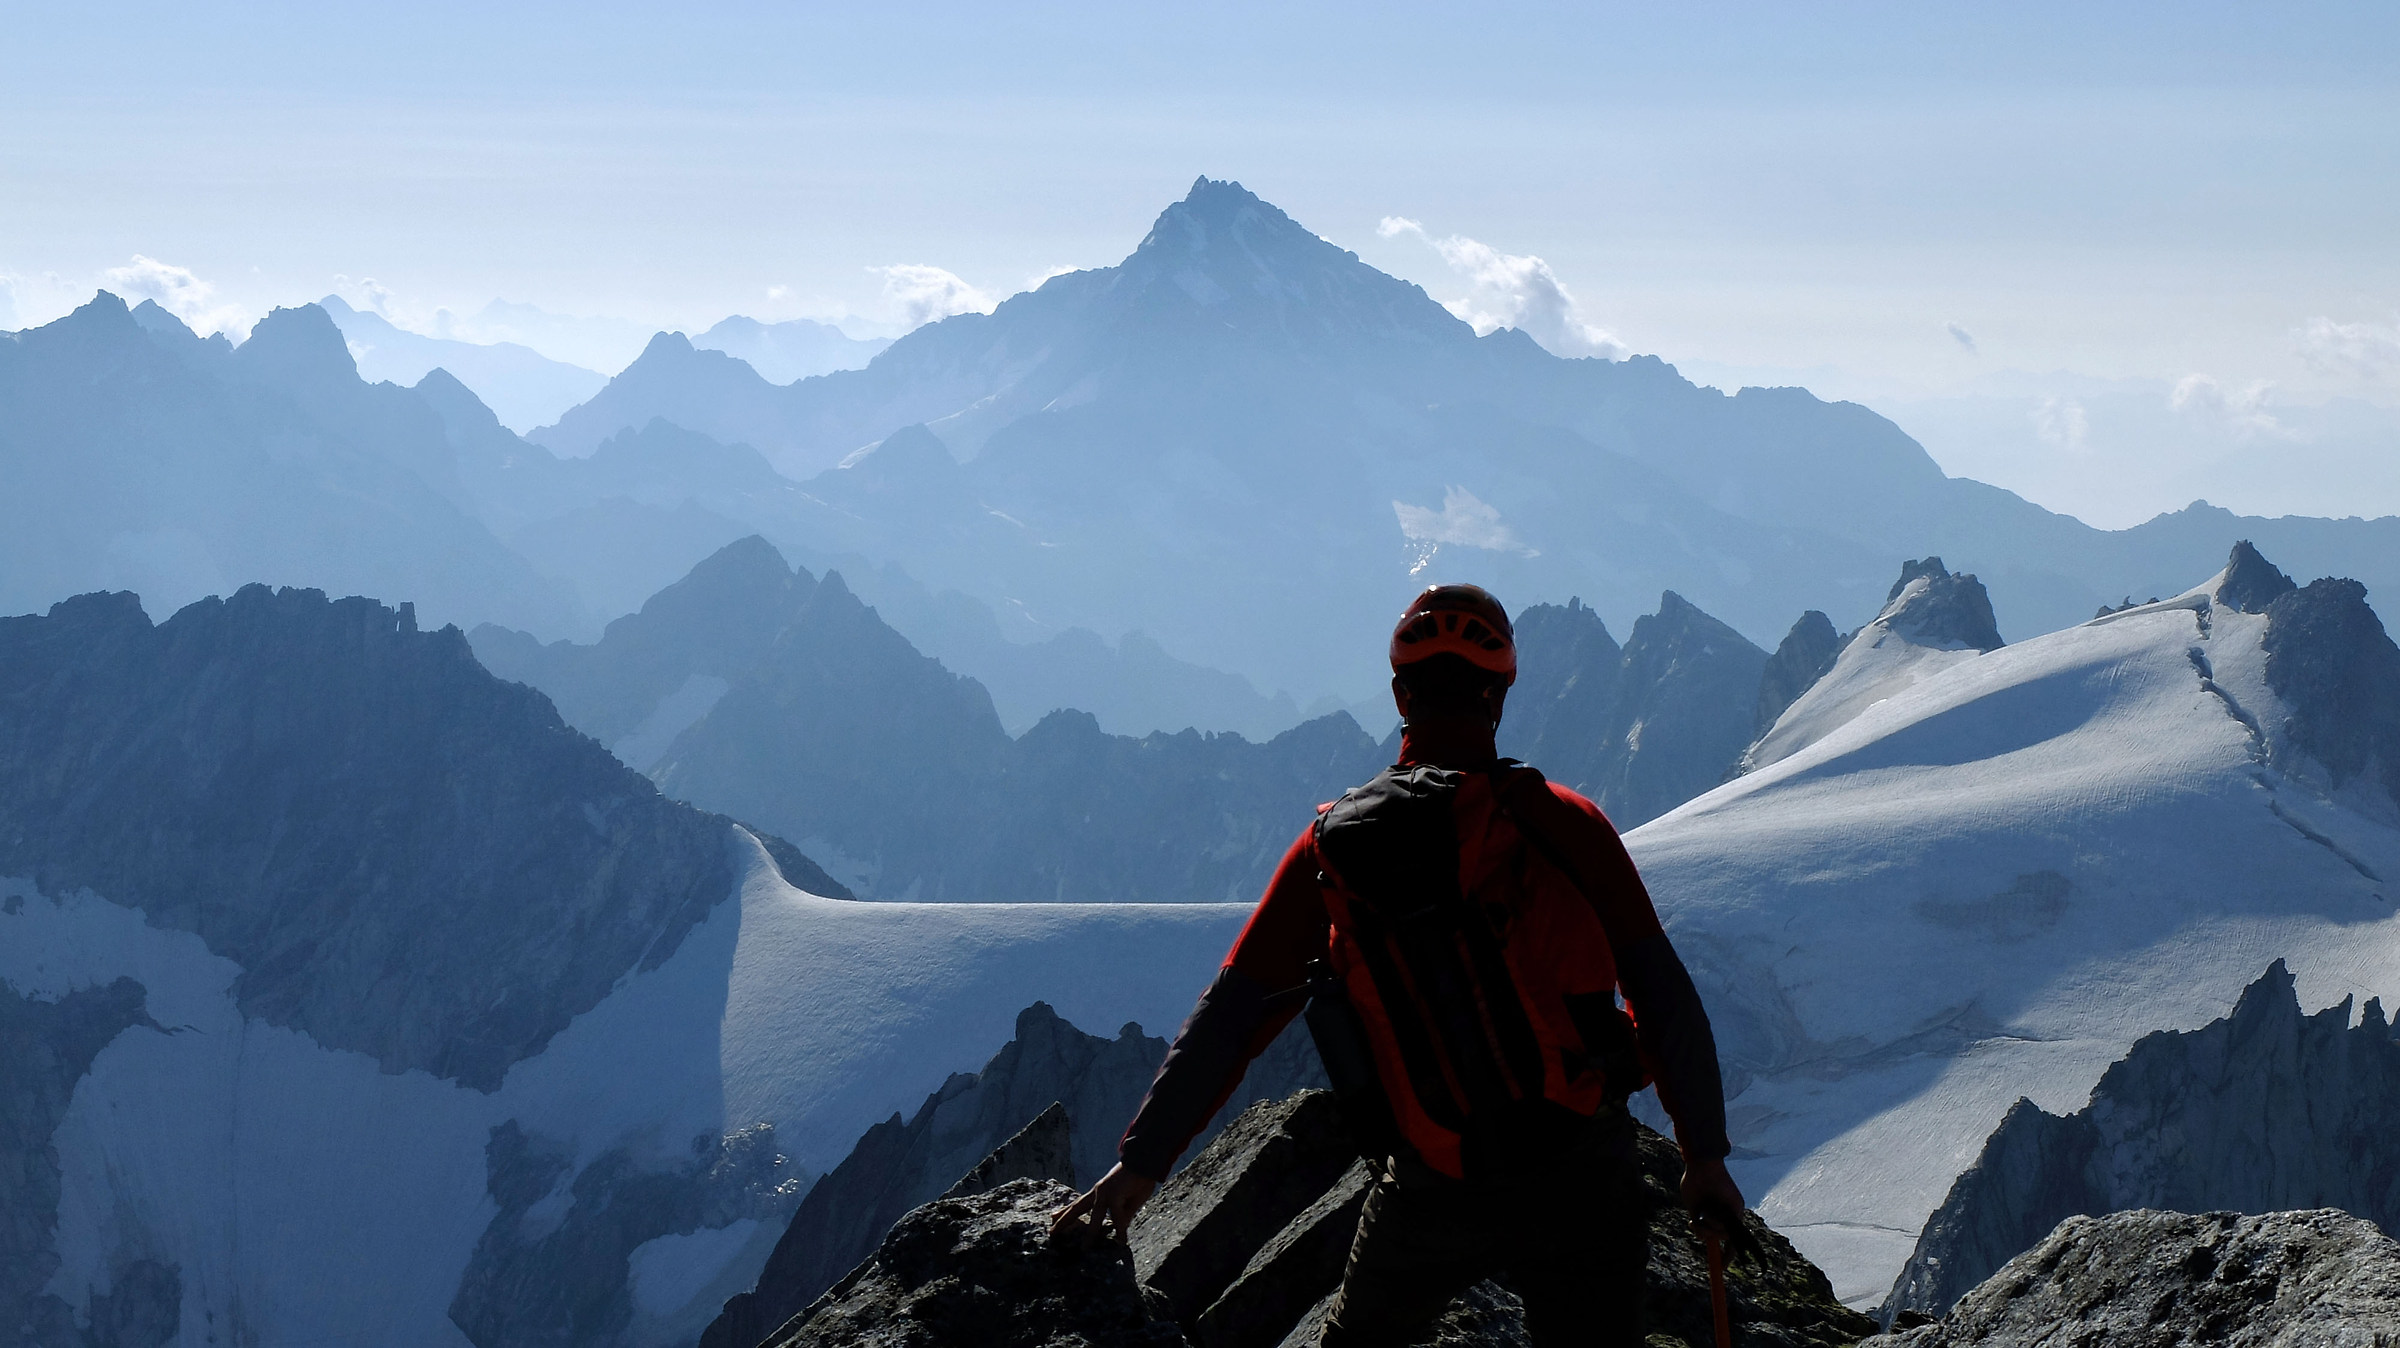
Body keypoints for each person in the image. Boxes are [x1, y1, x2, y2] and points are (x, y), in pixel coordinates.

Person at [1051, 584, 1744, 1347]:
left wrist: (1143, 1164)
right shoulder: (1562, 823)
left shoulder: (1331, 851)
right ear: (1501, 694)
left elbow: (1237, 1012)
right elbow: (1661, 992)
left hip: (1431, 1180)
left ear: (1399, 695)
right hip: (1575, 1174)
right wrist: (1703, 1155)